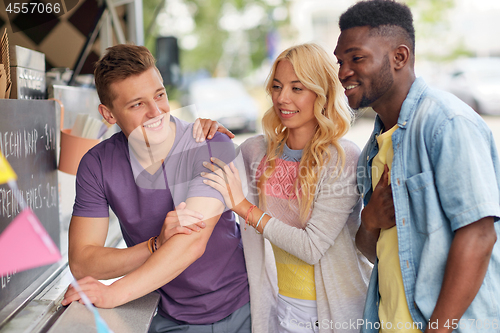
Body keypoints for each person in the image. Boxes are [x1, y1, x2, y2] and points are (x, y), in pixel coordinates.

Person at [333, 1, 500, 332]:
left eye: (356, 58)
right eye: (340, 61)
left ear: (399, 57)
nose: (342, 72)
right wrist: (368, 223)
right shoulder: (374, 147)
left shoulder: (447, 123)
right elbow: (374, 251)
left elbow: (479, 236)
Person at [61, 44, 252, 333]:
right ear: (108, 114)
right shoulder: (97, 165)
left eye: (159, 96)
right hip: (163, 315)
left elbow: (190, 243)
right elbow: (83, 263)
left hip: (241, 310)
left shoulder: (212, 144)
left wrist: (113, 293)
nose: (155, 112)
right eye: (137, 104)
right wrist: (155, 244)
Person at [200, 43, 372, 333]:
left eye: (297, 88)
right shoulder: (256, 151)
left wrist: (244, 208)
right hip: (279, 307)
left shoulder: (342, 158)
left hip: (335, 312)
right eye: (277, 87)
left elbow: (311, 247)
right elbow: (207, 179)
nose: (282, 98)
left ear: (322, 93)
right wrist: (206, 135)